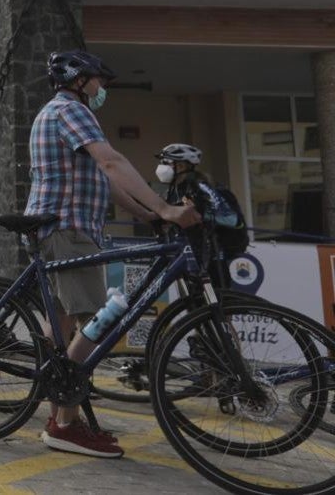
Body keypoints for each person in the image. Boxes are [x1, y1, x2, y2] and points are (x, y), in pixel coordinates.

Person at [25, 50, 199, 458]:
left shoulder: (61, 111)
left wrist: (146, 214)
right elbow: (110, 162)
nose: (102, 89)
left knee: (62, 324)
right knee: (97, 320)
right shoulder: (71, 110)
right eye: (99, 81)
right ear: (78, 80)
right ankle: (64, 424)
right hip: (68, 228)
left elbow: (105, 182)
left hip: (61, 227)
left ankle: (59, 410)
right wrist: (165, 209)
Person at [154, 143, 245, 289]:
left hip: (212, 259)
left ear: (182, 166)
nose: (161, 167)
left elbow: (232, 220)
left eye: (166, 162)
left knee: (218, 305)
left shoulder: (201, 186)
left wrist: (200, 214)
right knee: (194, 307)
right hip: (189, 258)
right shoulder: (173, 190)